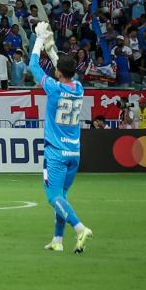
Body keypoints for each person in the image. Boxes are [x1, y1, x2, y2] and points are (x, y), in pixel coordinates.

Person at [30, 21, 94, 254]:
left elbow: (33, 65)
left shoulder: (54, 88)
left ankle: (79, 228)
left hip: (55, 153)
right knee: (63, 196)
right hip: (74, 153)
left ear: (58, 73)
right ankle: (58, 239)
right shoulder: (78, 88)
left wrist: (39, 40)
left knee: (52, 196)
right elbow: (63, 69)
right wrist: (51, 48)